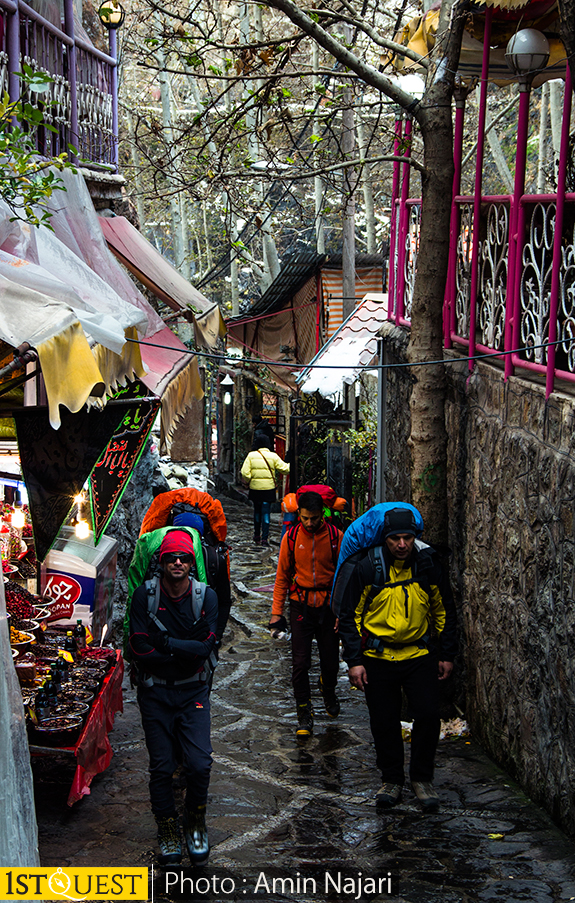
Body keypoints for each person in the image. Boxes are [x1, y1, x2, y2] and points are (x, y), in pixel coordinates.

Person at [335, 505, 457, 811]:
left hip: (419, 655)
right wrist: (355, 660)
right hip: (378, 657)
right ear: (385, 540)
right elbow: (350, 616)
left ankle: (421, 779)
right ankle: (391, 779)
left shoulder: (427, 565)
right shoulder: (368, 567)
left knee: (428, 715)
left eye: (407, 538)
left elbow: (444, 611)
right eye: (395, 539)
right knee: (384, 720)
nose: (401, 545)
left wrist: (446, 653)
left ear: (415, 538)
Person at [128, 530, 218, 866]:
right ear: (161, 562)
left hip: (193, 690)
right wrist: (181, 652)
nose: (177, 563)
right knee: (162, 766)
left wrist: (165, 644)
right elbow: (139, 645)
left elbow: (204, 649)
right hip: (156, 692)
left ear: (191, 562)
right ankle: (167, 828)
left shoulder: (205, 597)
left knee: (199, 763)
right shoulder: (144, 596)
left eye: (182, 558)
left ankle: (195, 821)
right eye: (170, 558)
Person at [269, 490, 343, 737]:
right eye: (305, 518)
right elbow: (281, 578)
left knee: (330, 661)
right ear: (298, 515)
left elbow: (343, 578)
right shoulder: (290, 539)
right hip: (300, 605)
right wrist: (276, 614)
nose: (310, 523)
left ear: (323, 514)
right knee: (300, 663)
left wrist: (341, 611)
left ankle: (328, 687)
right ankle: (304, 713)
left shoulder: (336, 537)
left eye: (314, 518)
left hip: (328, 607)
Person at [240, 437, 290, 546]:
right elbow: (285, 469)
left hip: (255, 489)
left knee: (257, 512)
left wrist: (249, 480)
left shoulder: (251, 456)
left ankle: (256, 536)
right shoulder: (273, 456)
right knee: (266, 513)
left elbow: (245, 472)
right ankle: (264, 539)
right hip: (268, 489)